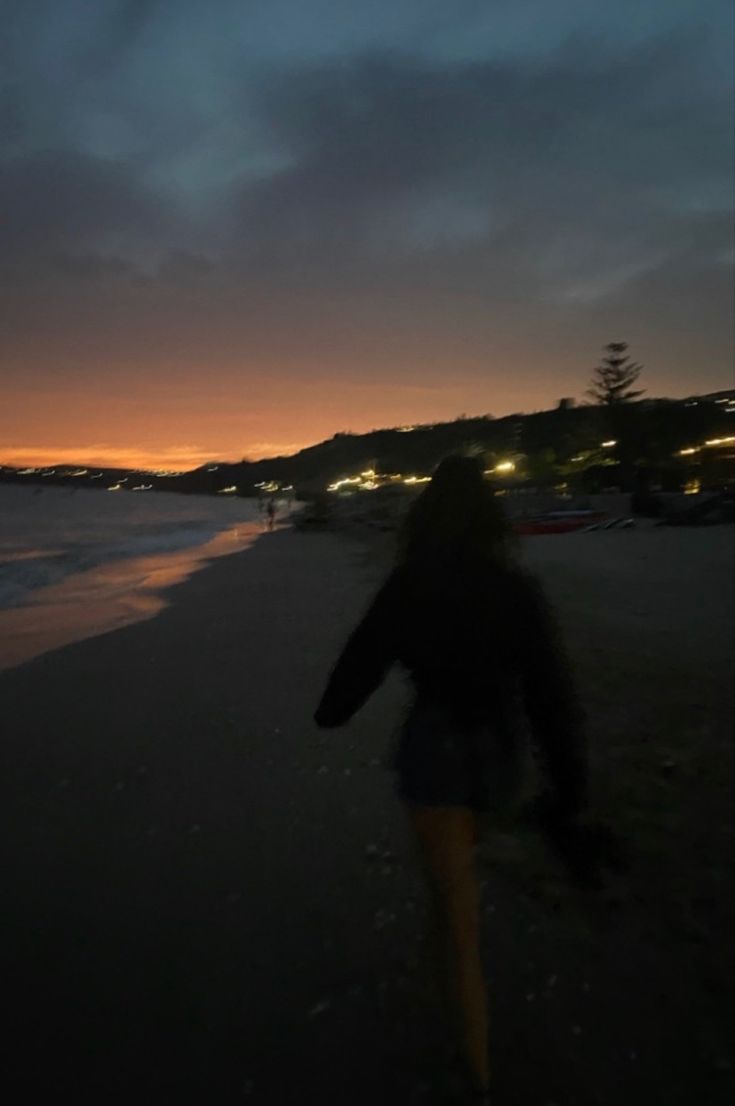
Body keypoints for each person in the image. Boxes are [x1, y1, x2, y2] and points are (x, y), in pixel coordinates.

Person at [314, 454, 591, 1103]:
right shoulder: (515, 590)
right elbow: (550, 694)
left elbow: (358, 667)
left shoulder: (410, 583)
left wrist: (331, 711)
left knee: (456, 910)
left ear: (426, 514)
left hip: (435, 747)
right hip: (499, 756)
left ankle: (475, 1070)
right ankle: (445, 994)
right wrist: (567, 788)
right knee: (452, 886)